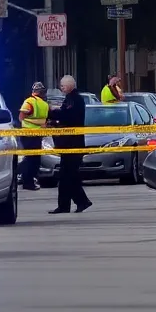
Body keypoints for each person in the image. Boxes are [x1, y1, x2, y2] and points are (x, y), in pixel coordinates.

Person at [48, 75, 93, 213]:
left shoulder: (75, 99)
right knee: (66, 175)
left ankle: (80, 202)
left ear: (69, 86)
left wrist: (52, 113)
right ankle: (68, 205)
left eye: (63, 86)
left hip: (73, 143)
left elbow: (67, 116)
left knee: (68, 175)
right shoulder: (70, 98)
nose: (61, 88)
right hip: (68, 143)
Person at [17, 81, 49, 191]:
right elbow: (22, 117)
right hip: (30, 135)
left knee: (33, 160)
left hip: (34, 135)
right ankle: (26, 180)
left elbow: (21, 118)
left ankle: (26, 179)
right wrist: (39, 123)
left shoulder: (40, 103)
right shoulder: (31, 102)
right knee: (31, 160)